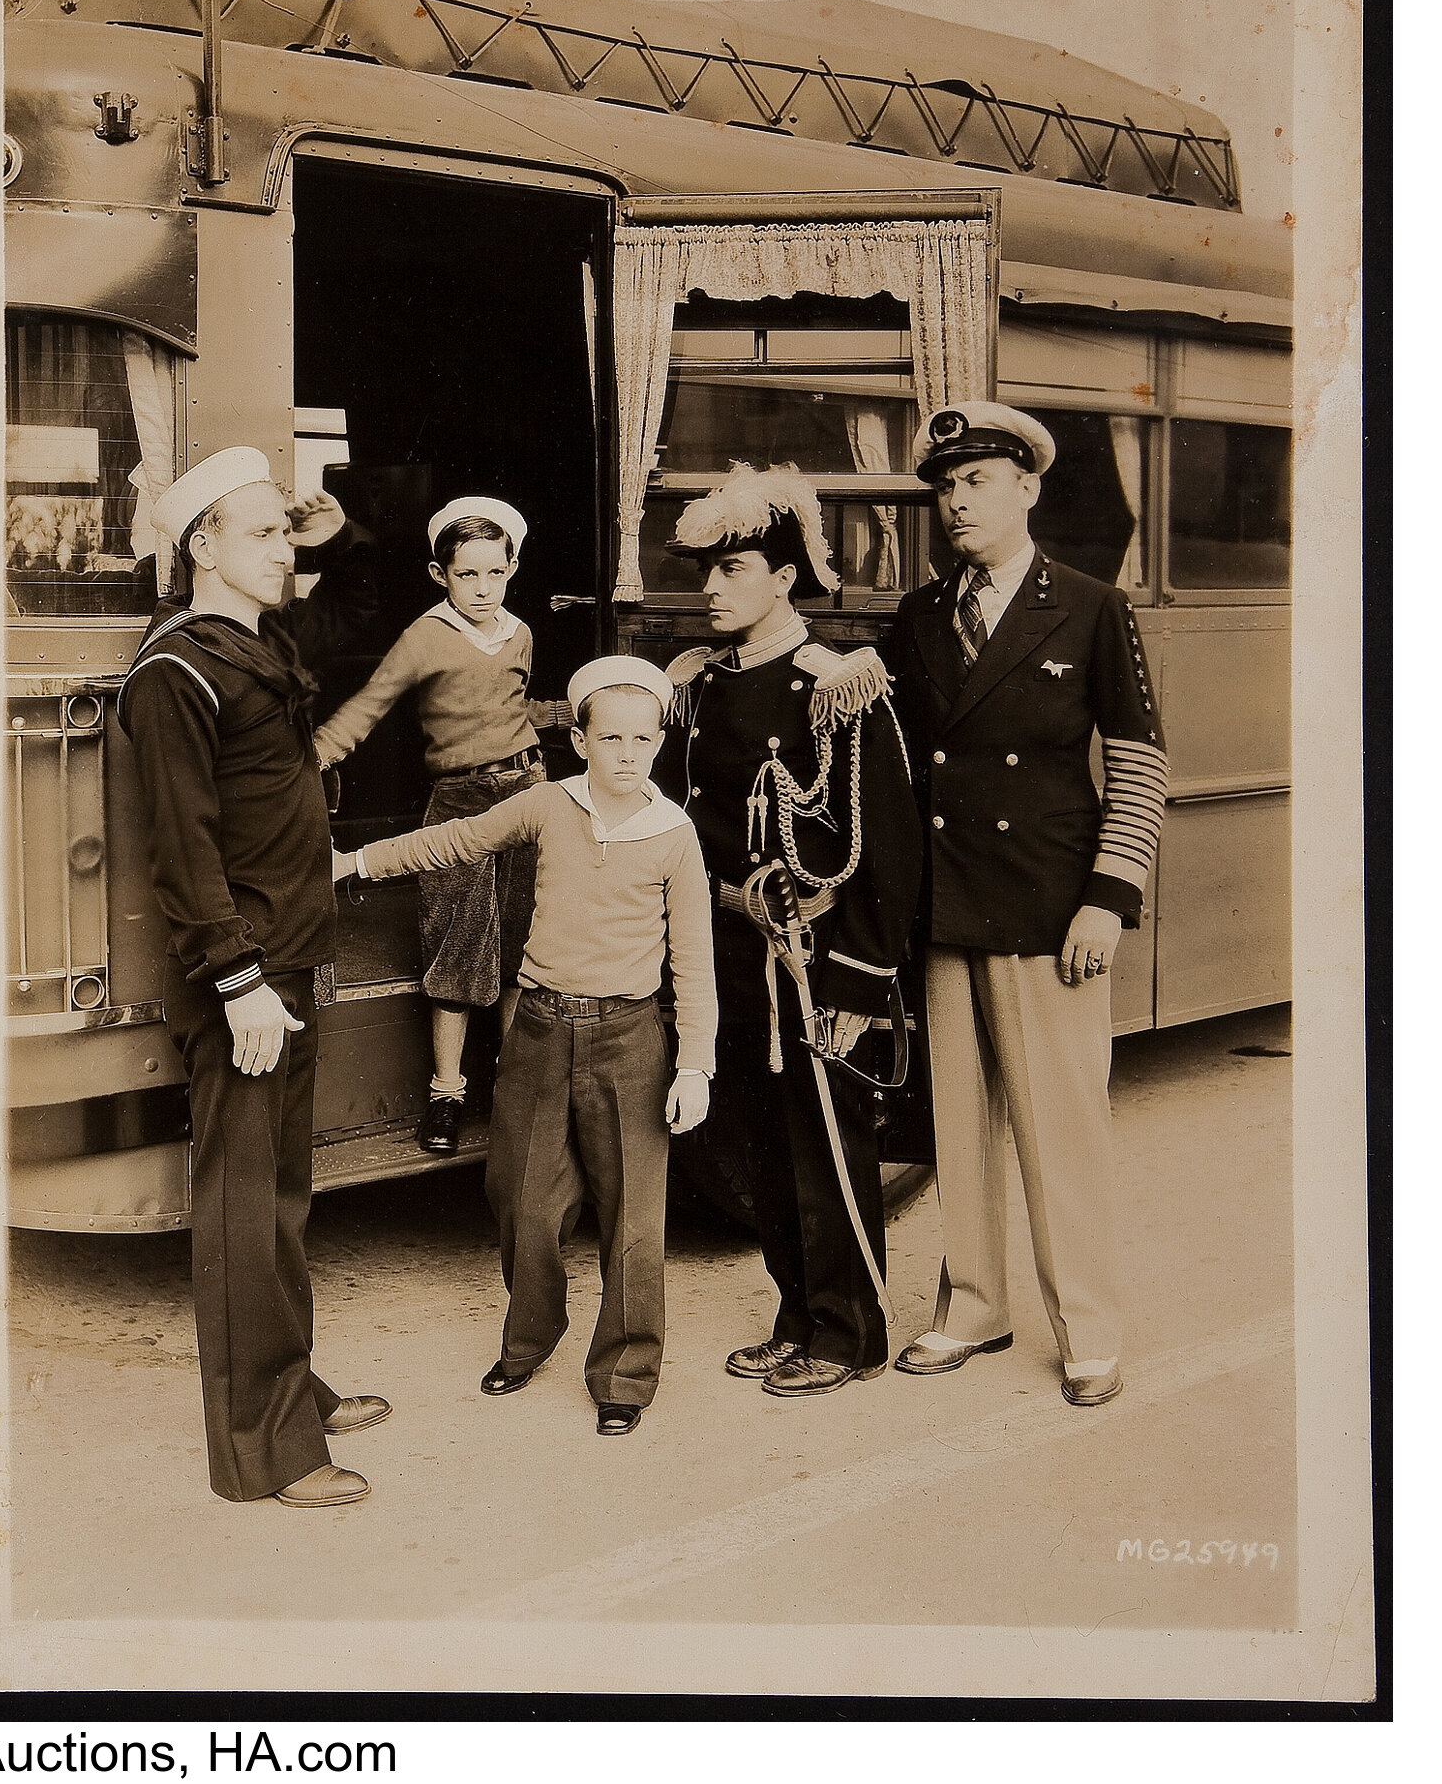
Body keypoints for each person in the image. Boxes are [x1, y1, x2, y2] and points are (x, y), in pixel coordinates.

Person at [335, 655, 714, 1435]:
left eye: (644, 738)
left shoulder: (674, 834)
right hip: (539, 1029)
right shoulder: (546, 804)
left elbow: (694, 962)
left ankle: (625, 1373)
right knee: (521, 1199)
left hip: (630, 1037)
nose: (628, 754)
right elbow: (458, 840)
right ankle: (530, 1336)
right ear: (579, 740)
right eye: (611, 737)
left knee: (634, 1218)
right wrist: (357, 861)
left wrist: (696, 1063)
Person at [118, 445, 386, 1509]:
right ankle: (263, 1452)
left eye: (285, 530)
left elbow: (361, 607)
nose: (285, 549)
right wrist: (235, 981)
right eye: (266, 531)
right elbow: (181, 848)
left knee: (278, 1196)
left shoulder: (250, 641)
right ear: (203, 546)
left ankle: (294, 1392)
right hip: (248, 972)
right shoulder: (177, 669)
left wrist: (338, 532)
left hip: (285, 954)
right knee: (240, 1210)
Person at [884, 403, 1165, 1409]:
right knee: (957, 1127)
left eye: (976, 481)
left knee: (1062, 1133)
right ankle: (974, 1305)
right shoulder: (919, 617)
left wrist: (1107, 898)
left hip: (1050, 906)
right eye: (946, 485)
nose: (955, 500)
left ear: (1027, 488)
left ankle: (1089, 1328)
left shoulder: (1090, 606)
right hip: (951, 902)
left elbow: (1136, 765)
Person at [658, 466, 922, 1399]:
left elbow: (885, 848)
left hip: (808, 957)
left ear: (783, 576)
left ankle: (852, 1331)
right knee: (763, 1143)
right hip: (730, 950)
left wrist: (858, 982)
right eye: (708, 572)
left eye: (733, 569)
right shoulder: (699, 682)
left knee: (824, 1141)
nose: (712, 588)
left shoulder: (837, 684)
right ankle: (796, 1313)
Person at [311, 498, 560, 1156]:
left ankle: (513, 1087)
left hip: (527, 795)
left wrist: (569, 713)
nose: (482, 589)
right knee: (455, 950)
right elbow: (368, 704)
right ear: (438, 573)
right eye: (466, 575)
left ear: (512, 569)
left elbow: (511, 708)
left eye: (494, 574)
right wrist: (313, 754)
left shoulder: (521, 632)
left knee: (516, 947)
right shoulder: (425, 635)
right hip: (458, 802)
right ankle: (446, 1092)